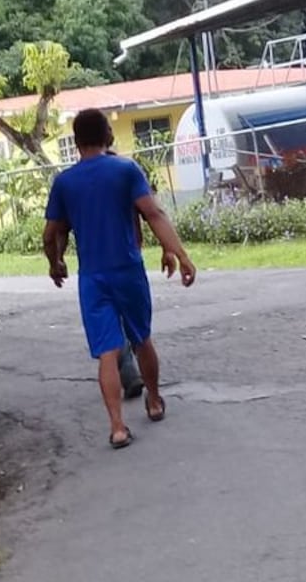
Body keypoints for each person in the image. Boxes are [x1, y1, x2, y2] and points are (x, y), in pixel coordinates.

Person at [42, 107, 196, 450]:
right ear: (107, 137)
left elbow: (50, 233)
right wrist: (181, 255)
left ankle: (117, 427)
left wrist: (55, 264)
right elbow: (153, 213)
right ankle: (154, 401)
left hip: (93, 278)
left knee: (108, 354)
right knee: (142, 339)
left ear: (77, 141)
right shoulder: (126, 169)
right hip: (128, 269)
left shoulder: (64, 182)